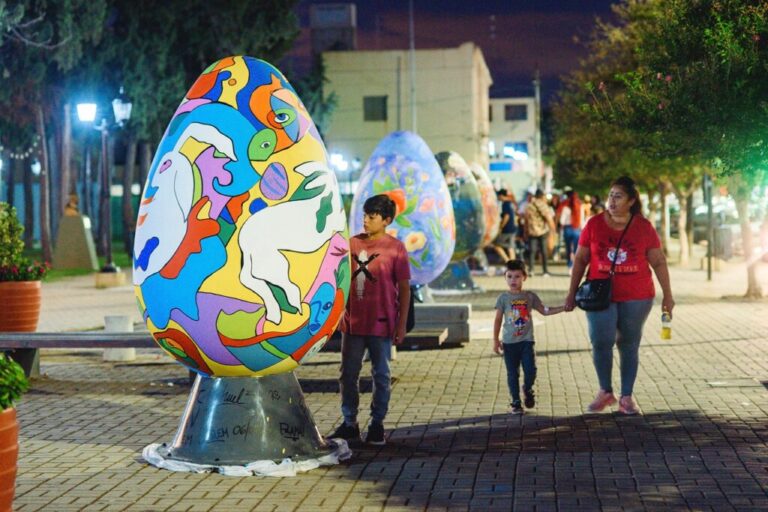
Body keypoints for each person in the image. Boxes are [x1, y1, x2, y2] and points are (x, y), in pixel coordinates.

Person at [564, 176, 674, 415]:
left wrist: (668, 295)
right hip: (600, 294)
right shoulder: (594, 224)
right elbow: (581, 259)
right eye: (610, 195)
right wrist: (571, 293)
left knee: (628, 343)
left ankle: (626, 397)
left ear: (631, 201)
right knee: (600, 340)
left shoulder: (643, 227)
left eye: (618, 196)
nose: (612, 201)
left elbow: (658, 261)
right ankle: (605, 391)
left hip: (637, 295)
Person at [329, 194, 411, 445]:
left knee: (382, 375)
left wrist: (401, 325)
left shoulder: (395, 248)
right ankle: (349, 422)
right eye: (364, 215)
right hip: (352, 324)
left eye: (372, 217)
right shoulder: (351, 245)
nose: (365, 220)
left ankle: (377, 424)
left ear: (386, 220)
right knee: (348, 374)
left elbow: (405, 289)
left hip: (382, 323)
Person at [493, 259, 565, 414]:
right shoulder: (503, 299)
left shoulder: (530, 296)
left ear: (524, 277)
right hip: (509, 343)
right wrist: (495, 340)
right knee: (512, 373)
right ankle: (516, 402)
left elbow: (545, 310)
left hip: (527, 341)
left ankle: (528, 388)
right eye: (510, 276)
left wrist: (563, 308)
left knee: (531, 370)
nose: (513, 280)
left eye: (517, 276)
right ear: (505, 277)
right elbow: (498, 320)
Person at [524, 189, 554, 276]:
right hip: (543, 231)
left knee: (532, 251)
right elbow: (549, 219)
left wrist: (525, 231)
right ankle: (545, 271)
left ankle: (531, 270)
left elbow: (526, 220)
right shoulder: (543, 205)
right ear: (541, 196)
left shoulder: (528, 205)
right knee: (544, 251)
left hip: (532, 231)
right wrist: (553, 231)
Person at [559, 189, 585, 272]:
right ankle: (575, 265)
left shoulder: (566, 207)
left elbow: (562, 221)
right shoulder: (580, 206)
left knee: (568, 248)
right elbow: (582, 221)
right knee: (576, 249)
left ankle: (569, 265)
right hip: (577, 229)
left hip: (567, 229)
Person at [492, 188, 518, 263]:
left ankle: (507, 260)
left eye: (498, 196)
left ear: (501, 195)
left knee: (496, 245)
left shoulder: (505, 204)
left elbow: (506, 216)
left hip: (507, 229)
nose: (498, 198)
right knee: (510, 246)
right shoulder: (511, 203)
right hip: (513, 228)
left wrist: (501, 226)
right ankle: (513, 263)